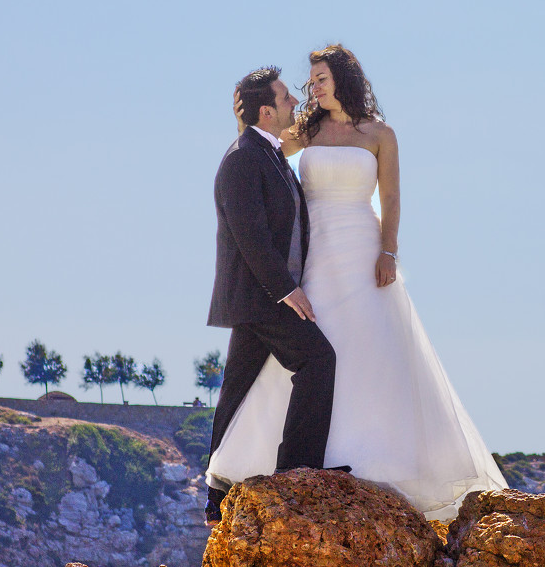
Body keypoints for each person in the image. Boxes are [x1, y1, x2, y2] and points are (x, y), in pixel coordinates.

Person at [205, 45, 506, 521]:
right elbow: (259, 161)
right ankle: (275, 467)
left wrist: (389, 252)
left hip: (363, 250)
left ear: (343, 78)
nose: (313, 89)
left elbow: (391, 197)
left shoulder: (381, 135)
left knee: (370, 350)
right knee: (312, 354)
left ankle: (365, 459)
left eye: (320, 79)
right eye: (308, 83)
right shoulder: (305, 130)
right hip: (314, 258)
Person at [204, 66, 343, 525]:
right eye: (286, 100)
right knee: (318, 359)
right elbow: (251, 237)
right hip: (261, 296)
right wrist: (287, 290)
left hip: (263, 296)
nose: (294, 105)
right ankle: (297, 472)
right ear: (267, 110)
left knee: (238, 391)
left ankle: (215, 497)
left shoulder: (270, 155)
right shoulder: (244, 157)